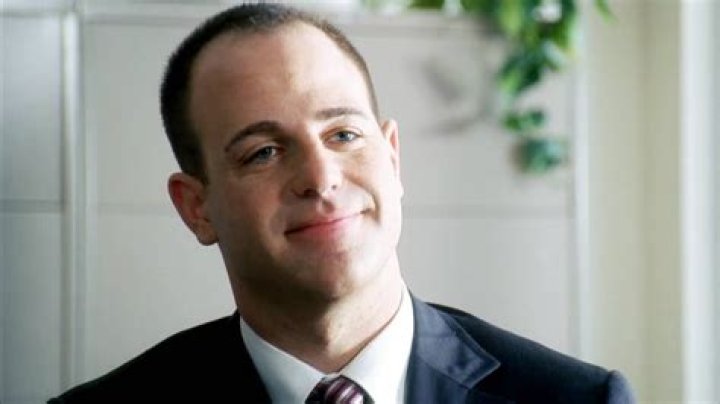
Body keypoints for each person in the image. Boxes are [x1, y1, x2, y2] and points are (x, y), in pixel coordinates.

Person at [50, 3, 634, 403]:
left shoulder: (577, 399)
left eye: (344, 135)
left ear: (393, 159)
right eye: (263, 152)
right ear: (196, 208)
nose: (320, 177)